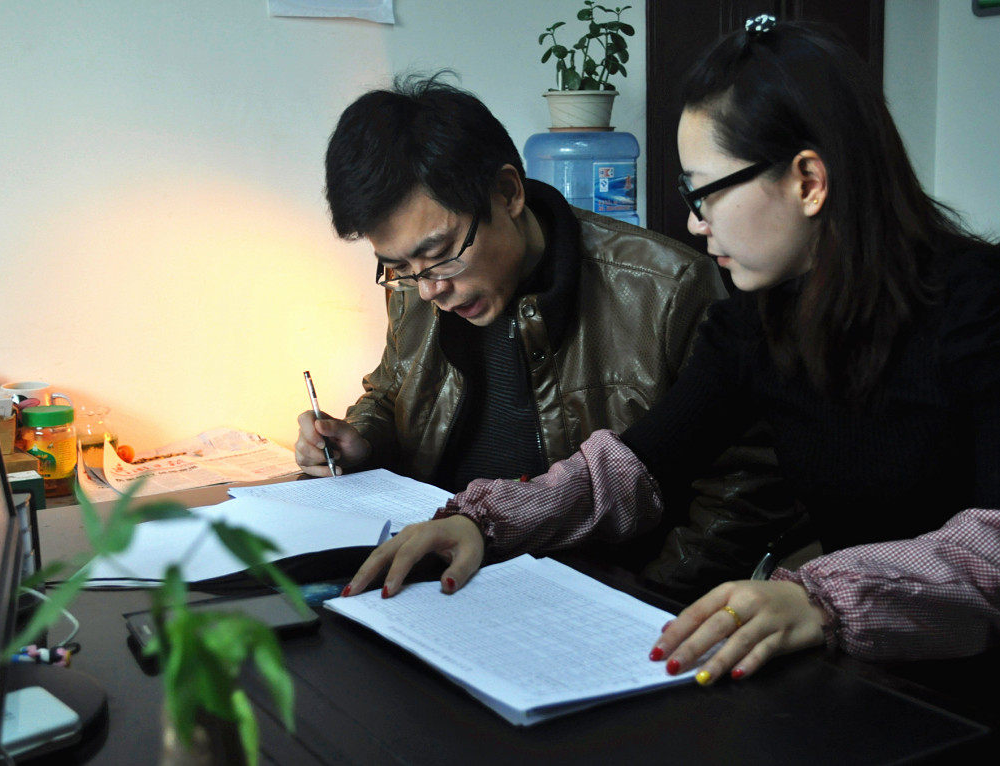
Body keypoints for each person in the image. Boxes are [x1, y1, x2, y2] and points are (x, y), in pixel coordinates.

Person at [344, 16, 1000, 683]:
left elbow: (992, 544)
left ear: (808, 181)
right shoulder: (755, 319)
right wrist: (487, 522)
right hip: (867, 666)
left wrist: (821, 596)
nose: (692, 221)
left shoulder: (979, 304)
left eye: (705, 192)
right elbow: (638, 465)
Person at [297, 73, 800, 597]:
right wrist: (360, 441)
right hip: (443, 569)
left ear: (508, 192)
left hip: (593, 590)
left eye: (440, 253)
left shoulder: (667, 289)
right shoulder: (418, 287)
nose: (429, 289)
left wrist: (648, 598)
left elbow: (740, 489)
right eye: (399, 267)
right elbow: (392, 394)